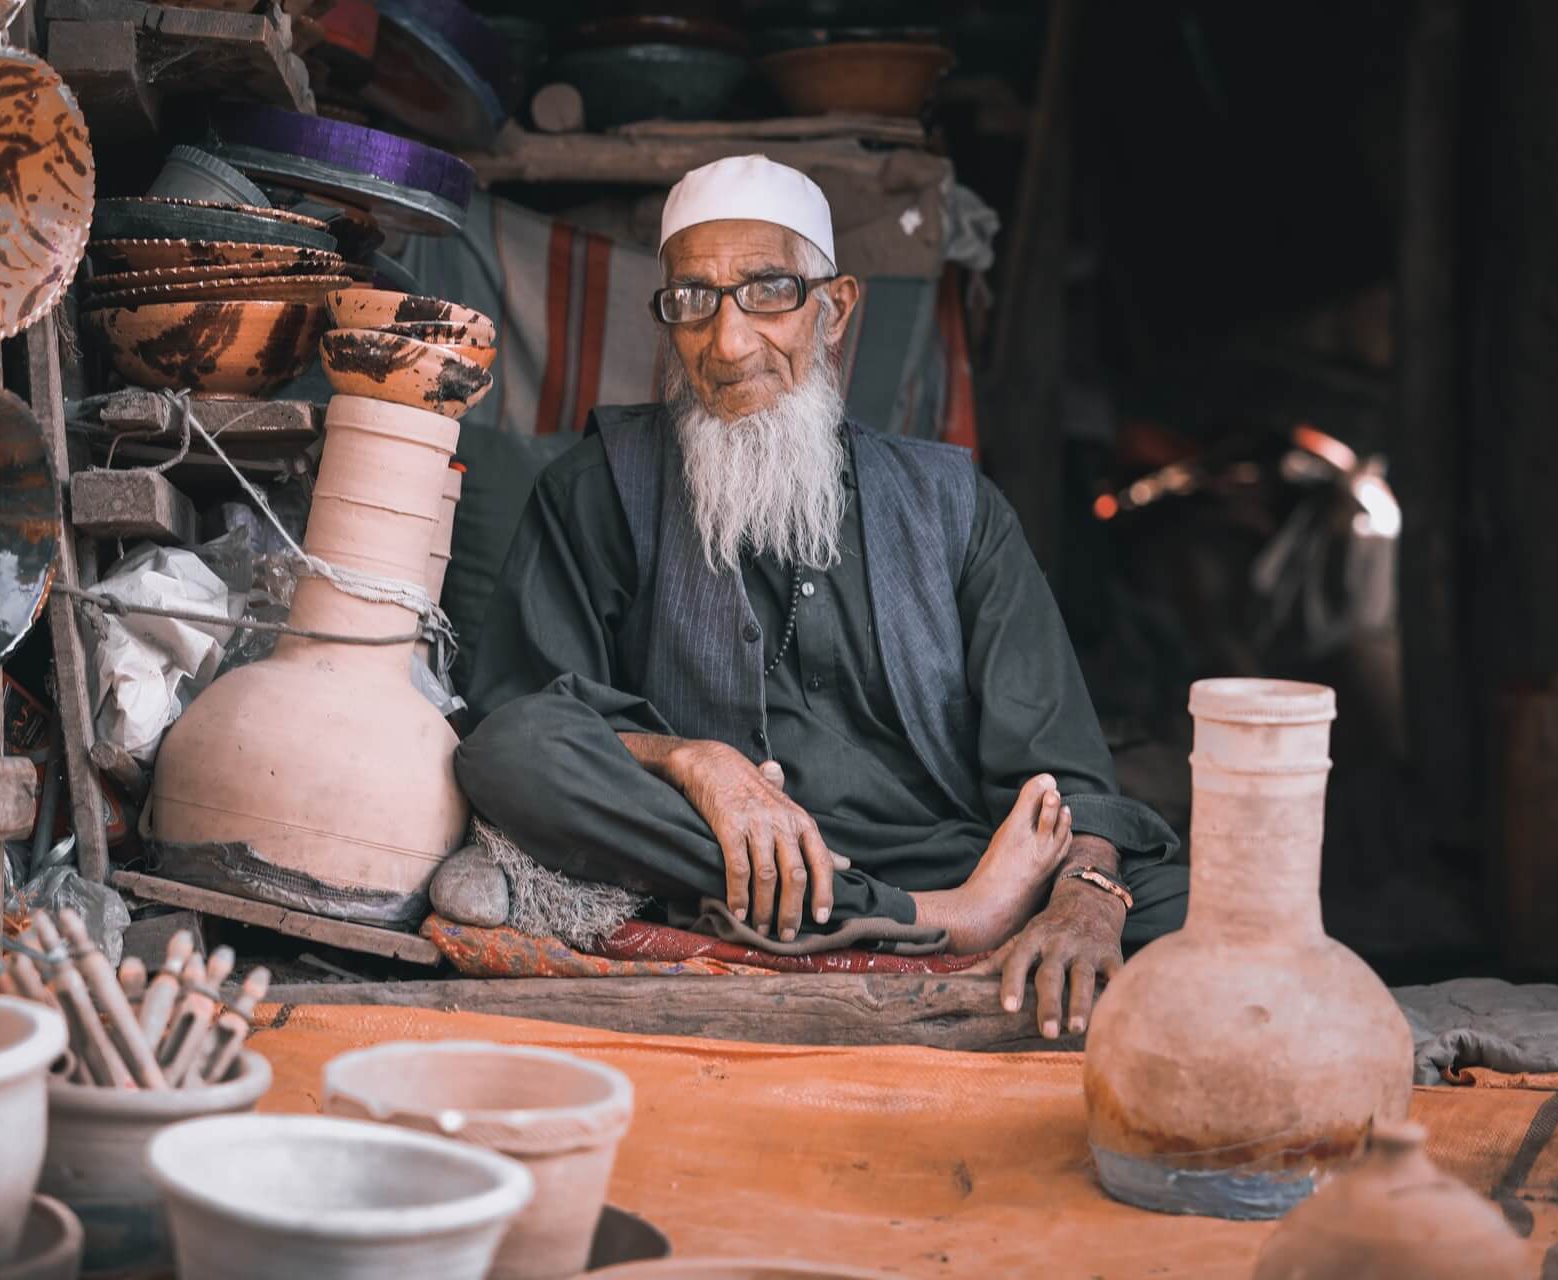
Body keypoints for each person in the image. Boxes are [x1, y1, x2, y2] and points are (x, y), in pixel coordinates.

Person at [458, 155, 1186, 1038]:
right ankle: (942, 923)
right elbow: (525, 715)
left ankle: (904, 910)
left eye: (768, 292)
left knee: (1197, 912)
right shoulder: (600, 486)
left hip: (946, 849)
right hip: (708, 849)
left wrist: (1088, 897)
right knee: (508, 754)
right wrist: (695, 762)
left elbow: (1066, 779)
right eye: (693, 300)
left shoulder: (955, 507)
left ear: (833, 309)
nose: (727, 343)